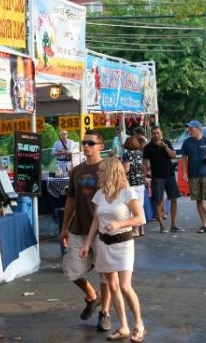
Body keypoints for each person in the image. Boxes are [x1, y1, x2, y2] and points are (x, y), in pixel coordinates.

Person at [80, 157, 146, 343]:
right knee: (114, 286)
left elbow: (140, 218)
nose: (98, 173)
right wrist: (87, 244)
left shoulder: (127, 192)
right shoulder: (100, 194)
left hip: (123, 243)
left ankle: (139, 324)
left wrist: (119, 224)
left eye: (101, 171)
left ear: (111, 172)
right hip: (104, 244)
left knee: (125, 286)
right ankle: (124, 326)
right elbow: (95, 221)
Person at [60, 130, 112, 332]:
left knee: (105, 275)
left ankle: (104, 312)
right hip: (79, 228)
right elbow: (71, 199)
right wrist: (64, 227)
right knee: (72, 270)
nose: (86, 145)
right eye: (84, 142)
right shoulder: (77, 170)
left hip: (103, 230)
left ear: (101, 146)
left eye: (91, 142)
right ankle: (92, 296)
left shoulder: (108, 168)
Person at [180, 120, 206, 233]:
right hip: (193, 176)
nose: (189, 130)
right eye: (188, 128)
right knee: (198, 200)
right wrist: (184, 172)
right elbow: (183, 158)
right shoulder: (187, 142)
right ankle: (204, 224)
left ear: (198, 129)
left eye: (191, 128)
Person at [143, 126, 183, 232]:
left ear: (161, 133)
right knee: (159, 201)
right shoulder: (148, 147)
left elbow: (173, 156)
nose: (156, 135)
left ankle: (173, 224)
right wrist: (145, 176)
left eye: (158, 133)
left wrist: (165, 147)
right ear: (151, 134)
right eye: (154, 133)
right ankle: (161, 225)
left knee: (174, 199)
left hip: (170, 175)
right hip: (157, 177)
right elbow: (145, 163)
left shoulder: (166, 142)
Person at [122, 137, 147, 236]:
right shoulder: (140, 154)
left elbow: (126, 169)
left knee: (133, 206)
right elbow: (145, 167)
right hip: (140, 182)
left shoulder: (127, 155)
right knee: (140, 205)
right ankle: (141, 229)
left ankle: (135, 230)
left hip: (131, 183)